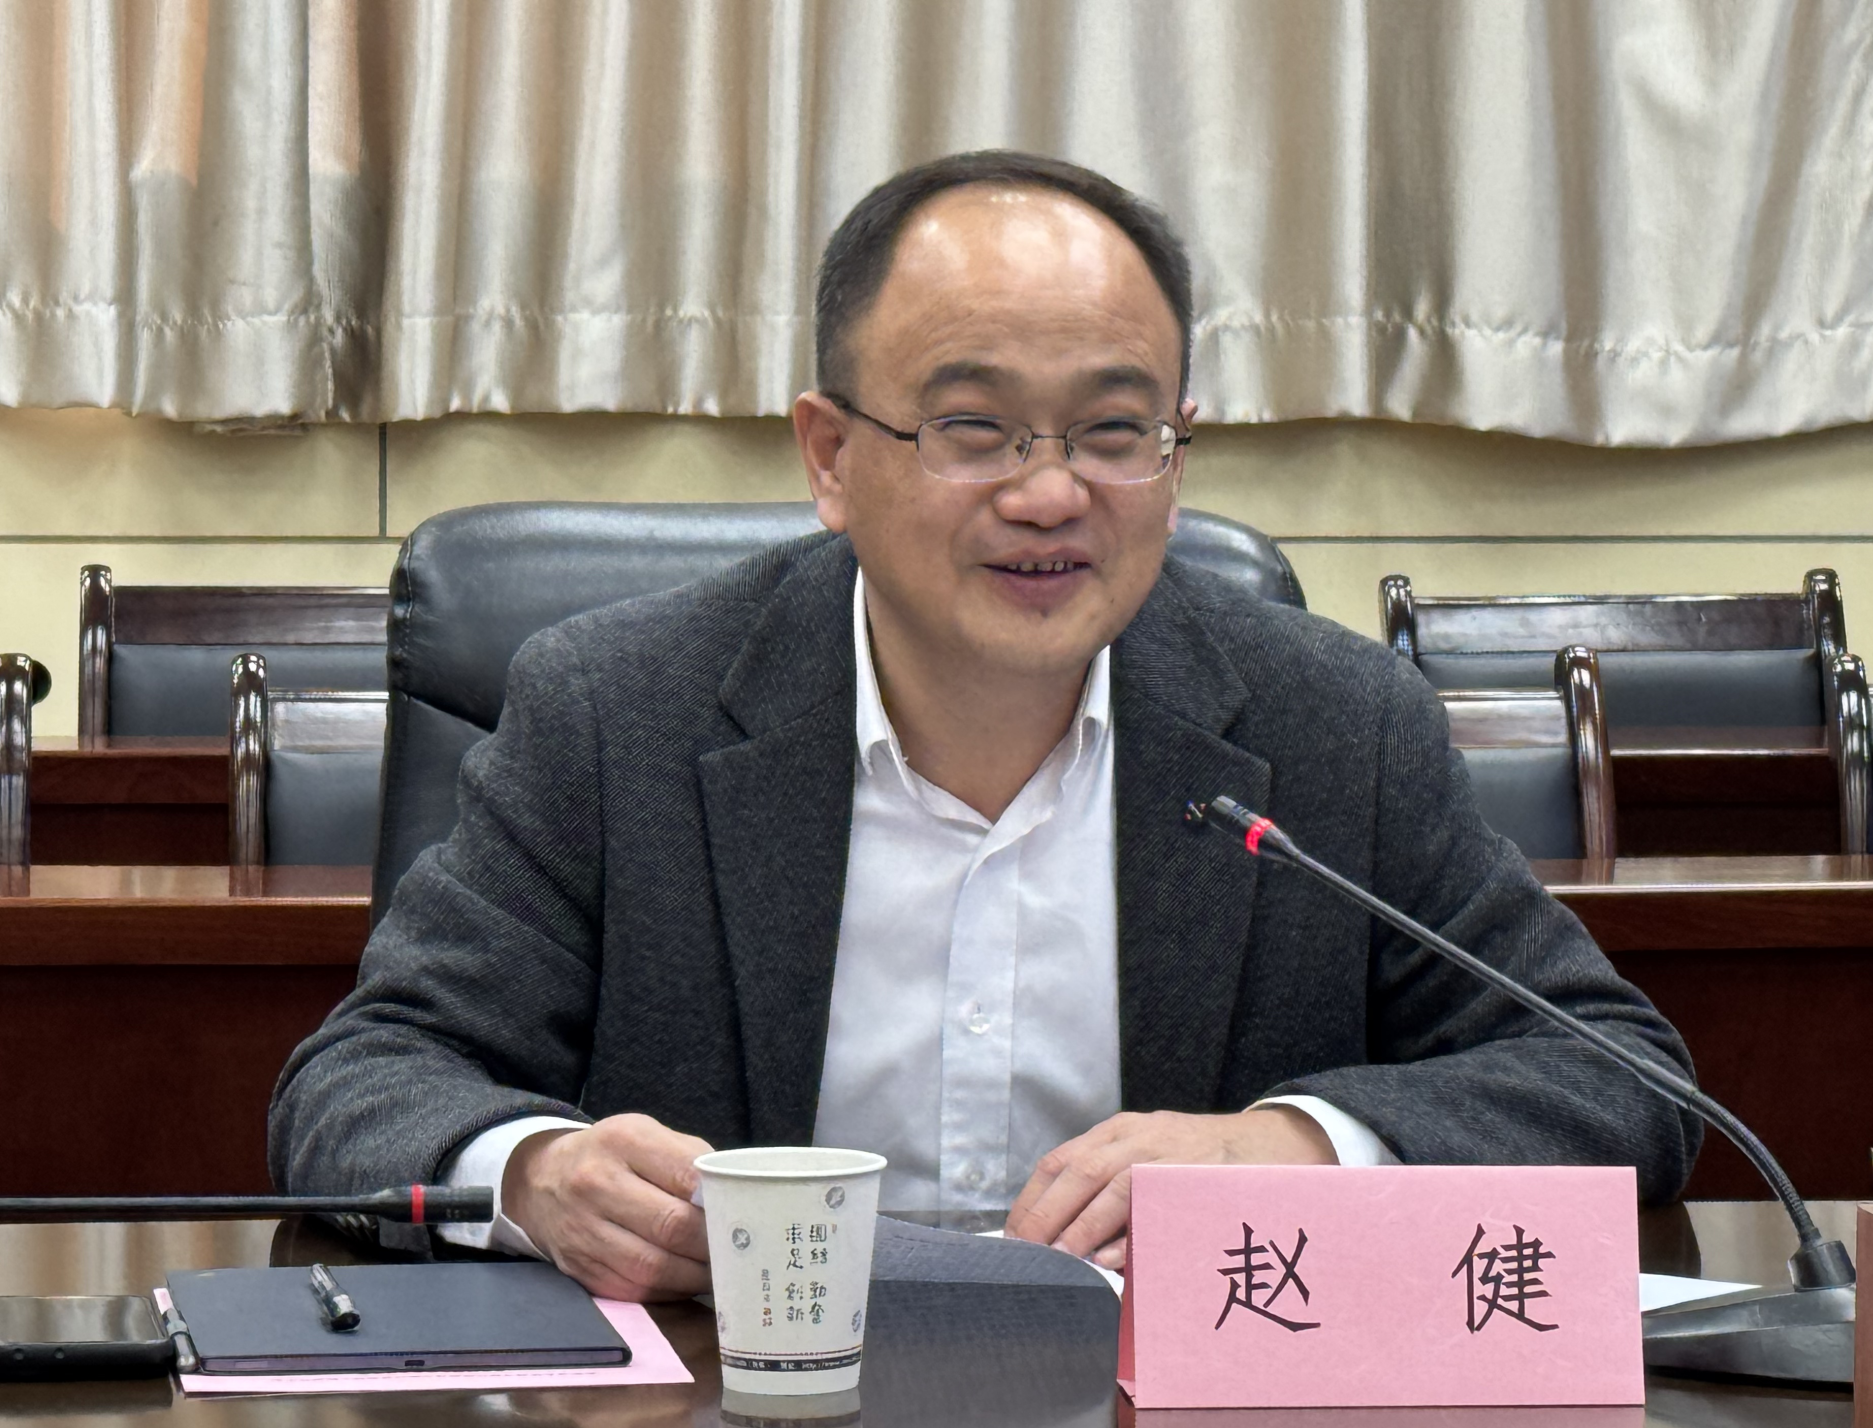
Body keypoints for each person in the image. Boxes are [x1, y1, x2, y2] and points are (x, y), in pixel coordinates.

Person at [270, 150, 1700, 1300]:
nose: (1050, 493)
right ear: (832, 455)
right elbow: (361, 1081)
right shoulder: (615, 712)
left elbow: (1615, 1078)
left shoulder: (1333, 729)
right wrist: (532, 1176)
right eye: (974, 428)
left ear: (1176, 453)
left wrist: (1295, 1148)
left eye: (1113, 431)